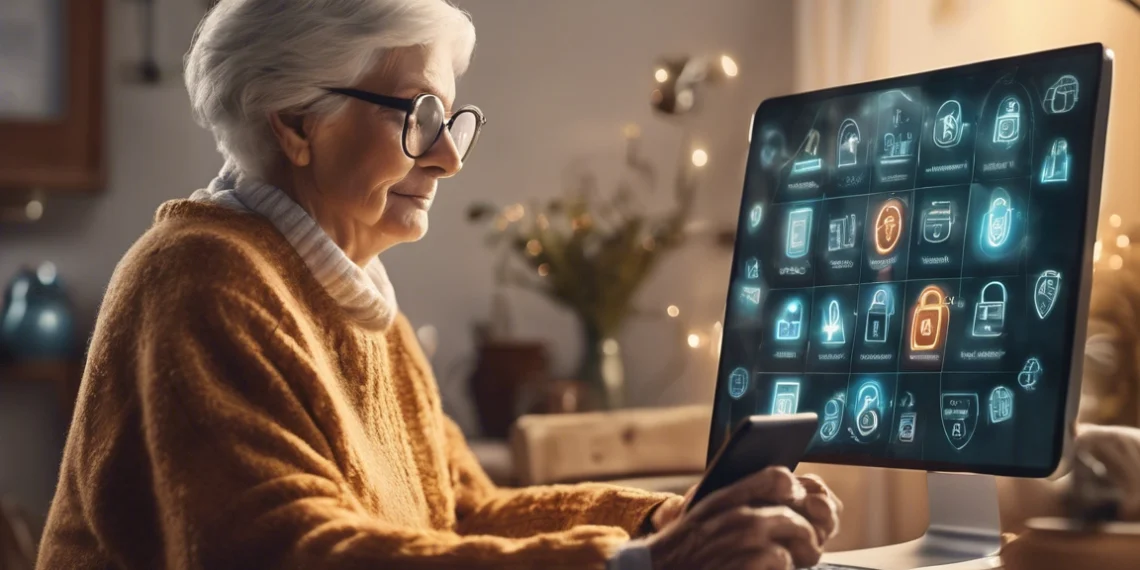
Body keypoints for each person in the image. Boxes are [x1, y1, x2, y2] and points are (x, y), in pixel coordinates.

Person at [36, 1, 842, 569]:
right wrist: (640, 565)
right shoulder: (200, 278)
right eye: (417, 114)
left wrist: (666, 519)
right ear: (293, 122)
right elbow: (281, 554)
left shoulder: (352, 290)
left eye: (450, 118)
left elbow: (460, 513)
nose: (449, 156)